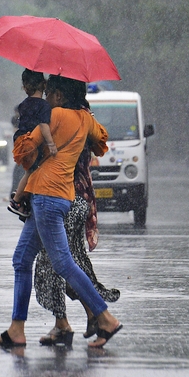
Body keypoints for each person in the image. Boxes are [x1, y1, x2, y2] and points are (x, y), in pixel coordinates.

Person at [0, 75, 122, 349]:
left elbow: (22, 151)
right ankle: (16, 329)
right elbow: (102, 142)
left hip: (47, 197)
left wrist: (26, 130)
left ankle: (105, 317)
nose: (46, 98)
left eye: (49, 93)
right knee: (22, 260)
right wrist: (84, 140)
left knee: (62, 263)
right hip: (60, 195)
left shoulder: (54, 115)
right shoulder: (85, 119)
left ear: (59, 96)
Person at [35, 142, 120, 346]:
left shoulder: (61, 122)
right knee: (66, 263)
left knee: (55, 265)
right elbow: (100, 144)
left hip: (65, 200)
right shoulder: (83, 120)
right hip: (79, 199)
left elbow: (36, 157)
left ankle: (98, 317)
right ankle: (85, 317)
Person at [7, 69, 57, 218]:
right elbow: (43, 125)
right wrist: (51, 144)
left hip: (20, 142)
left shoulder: (23, 105)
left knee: (30, 171)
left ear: (25, 87)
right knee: (32, 172)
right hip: (31, 144)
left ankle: (23, 197)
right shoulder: (43, 106)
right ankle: (17, 201)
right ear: (44, 85)